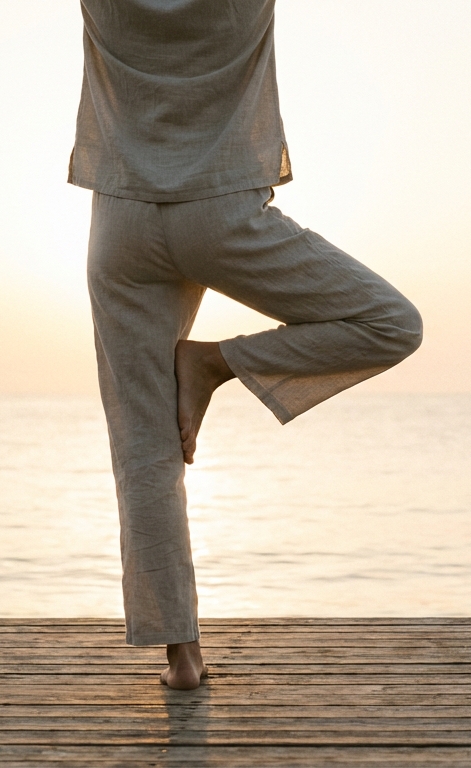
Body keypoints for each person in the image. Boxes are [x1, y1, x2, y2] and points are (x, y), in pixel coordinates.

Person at [71, 0, 422, 690]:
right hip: (222, 207)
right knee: (390, 324)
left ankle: (184, 659)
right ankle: (217, 362)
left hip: (120, 222)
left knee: (143, 447)